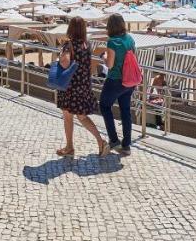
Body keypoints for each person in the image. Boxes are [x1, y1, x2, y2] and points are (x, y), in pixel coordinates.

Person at [54, 17, 108, 157]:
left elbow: (65, 63)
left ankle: (71, 147)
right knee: (82, 116)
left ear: (70, 28)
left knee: (68, 117)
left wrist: (60, 54)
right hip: (83, 84)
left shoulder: (69, 45)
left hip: (70, 86)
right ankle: (99, 141)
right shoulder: (86, 45)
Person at [98, 13, 137, 155]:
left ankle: (114, 140)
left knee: (104, 106)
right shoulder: (130, 39)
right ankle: (126, 145)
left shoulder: (112, 42)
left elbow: (110, 64)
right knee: (125, 110)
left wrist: (104, 56)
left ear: (110, 26)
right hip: (129, 81)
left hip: (115, 80)